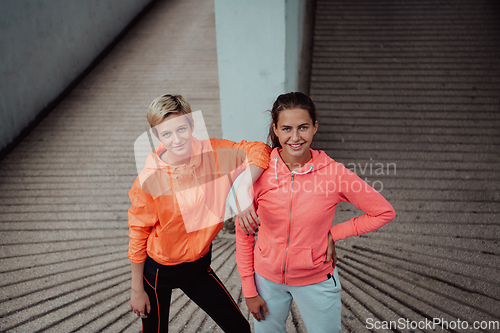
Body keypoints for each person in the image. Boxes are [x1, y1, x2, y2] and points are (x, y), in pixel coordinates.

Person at [236, 92, 396, 333]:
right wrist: (249, 290)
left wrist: (334, 233)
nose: (295, 137)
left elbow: (383, 212)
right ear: (276, 130)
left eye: (303, 127)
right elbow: (244, 233)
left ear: (314, 127)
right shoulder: (260, 172)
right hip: (266, 281)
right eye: (287, 129)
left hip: (316, 280)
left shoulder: (334, 173)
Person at [128, 94, 271, 333]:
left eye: (181, 128)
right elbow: (138, 233)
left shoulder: (214, 153)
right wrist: (136, 289)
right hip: (158, 270)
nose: (177, 139)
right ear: (156, 136)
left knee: (239, 329)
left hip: (198, 267)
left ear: (192, 125)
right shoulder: (149, 178)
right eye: (166, 133)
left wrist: (243, 190)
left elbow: (259, 149)